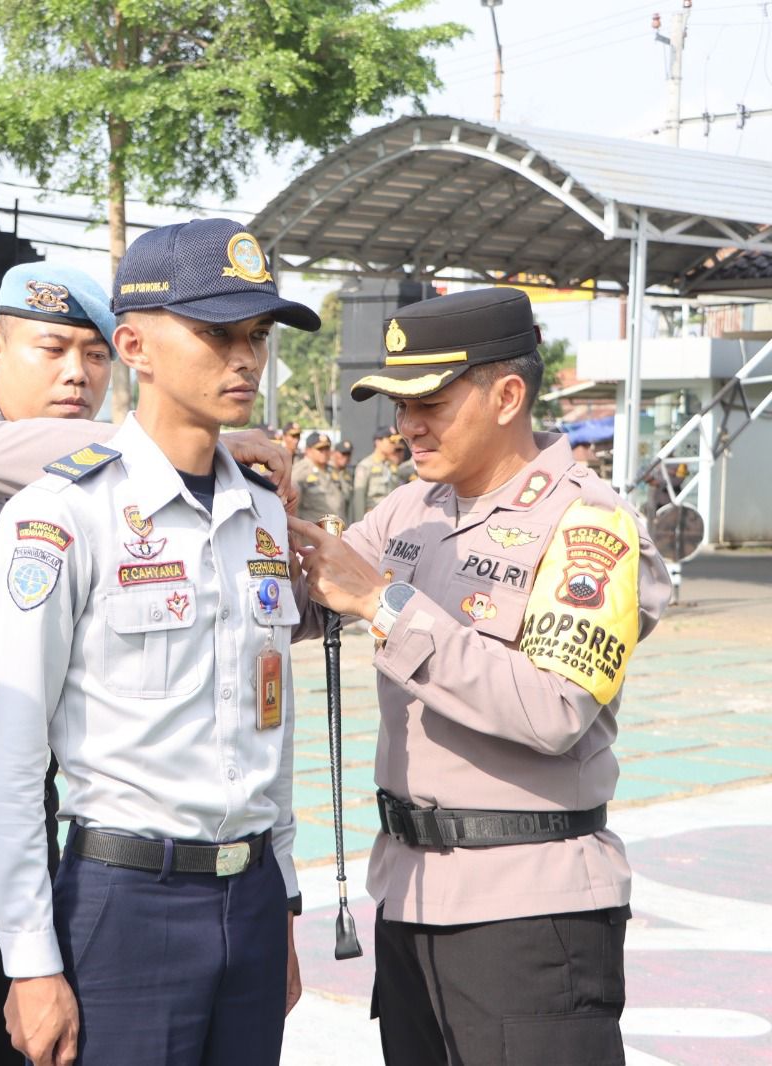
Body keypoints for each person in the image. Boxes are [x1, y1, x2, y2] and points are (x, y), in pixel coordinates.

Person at [0, 258, 298, 1066]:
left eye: (95, 354)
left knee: (28, 1042)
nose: (77, 372)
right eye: (51, 349)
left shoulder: (131, 495)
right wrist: (183, 431)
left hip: (30, 806)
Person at [287, 287, 672, 1066]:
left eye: (429, 401)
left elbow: (554, 707)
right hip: (411, 897)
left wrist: (384, 605)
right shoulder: (409, 511)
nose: (407, 425)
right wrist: (243, 489)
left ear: (507, 395)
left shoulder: (588, 523)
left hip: (529, 918)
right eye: (398, 404)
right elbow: (296, 594)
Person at [0, 219, 319, 1066]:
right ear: (135, 345)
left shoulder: (264, 511)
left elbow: (268, 727)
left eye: (257, 335)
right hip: (127, 902)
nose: (245, 359)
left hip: (249, 902)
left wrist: (281, 901)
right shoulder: (63, 514)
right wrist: (29, 961)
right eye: (215, 333)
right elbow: (15, 757)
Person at [350, 423, 405, 522]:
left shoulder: (392, 466)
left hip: (390, 519)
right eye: (391, 442)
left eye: (395, 442)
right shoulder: (366, 465)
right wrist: (359, 524)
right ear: (378, 442)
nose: (394, 445)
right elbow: (359, 497)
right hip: (373, 519)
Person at [292, 430, 346, 522]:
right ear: (308, 450)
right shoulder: (301, 470)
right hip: (312, 530)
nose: (324, 452)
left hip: (335, 529)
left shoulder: (332, 470)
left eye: (327, 448)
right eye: (320, 449)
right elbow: (292, 504)